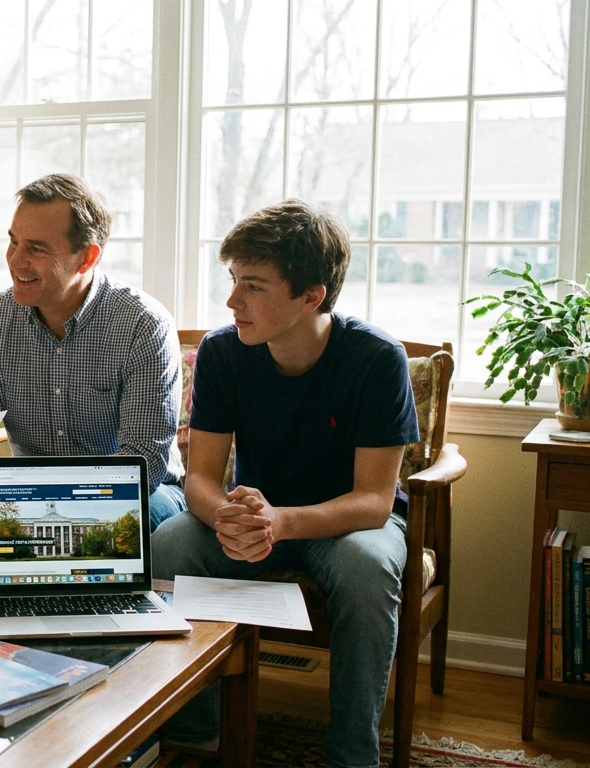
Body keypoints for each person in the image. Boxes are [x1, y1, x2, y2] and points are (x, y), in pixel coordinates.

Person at [151, 200, 418, 767]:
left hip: (344, 525)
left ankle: (352, 753)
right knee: (171, 541)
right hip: (253, 519)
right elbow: (199, 477)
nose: (231, 301)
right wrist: (224, 514)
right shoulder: (223, 353)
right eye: (233, 281)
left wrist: (282, 521)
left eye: (253, 286)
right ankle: (195, 733)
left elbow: (373, 502)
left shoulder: (376, 359)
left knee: (366, 568)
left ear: (312, 296)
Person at [0, 173, 185, 556]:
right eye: (13, 241)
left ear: (87, 257)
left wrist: (43, 503)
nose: (15, 260)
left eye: (36, 248)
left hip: (139, 493)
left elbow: (143, 463)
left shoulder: (142, 324)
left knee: (134, 520)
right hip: (28, 492)